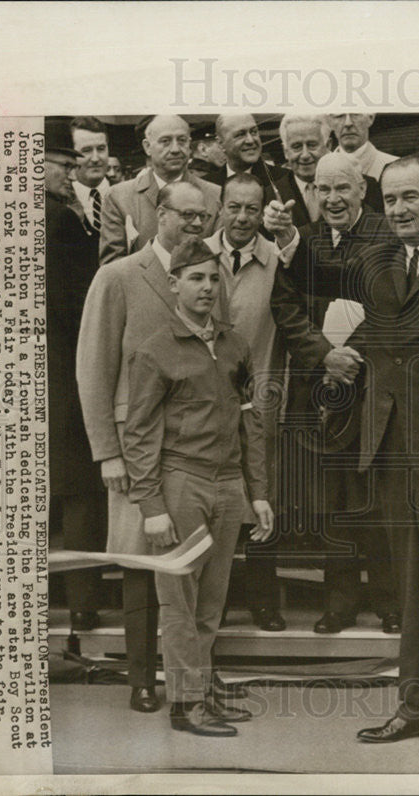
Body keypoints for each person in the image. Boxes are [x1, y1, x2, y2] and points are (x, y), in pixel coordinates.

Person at [267, 156, 419, 759]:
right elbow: (327, 285)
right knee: (411, 590)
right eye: (390, 199)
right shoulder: (384, 260)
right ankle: (418, 708)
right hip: (391, 448)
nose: (398, 209)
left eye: (410, 198)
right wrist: (293, 243)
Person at [77, 182, 222, 714]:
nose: (195, 225)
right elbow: (93, 366)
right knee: (141, 562)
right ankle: (142, 677)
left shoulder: (208, 274)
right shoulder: (118, 275)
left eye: (204, 216)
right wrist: (107, 451)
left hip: (194, 445)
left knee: (193, 566)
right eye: (185, 215)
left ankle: (196, 680)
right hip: (133, 444)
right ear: (159, 214)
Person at [121, 238, 272, 736]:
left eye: (212, 278)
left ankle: (202, 692)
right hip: (181, 483)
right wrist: (151, 504)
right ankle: (186, 707)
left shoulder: (235, 346)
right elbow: (139, 432)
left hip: (228, 486)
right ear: (173, 284)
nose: (206, 288)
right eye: (195, 278)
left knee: (211, 601)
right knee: (179, 603)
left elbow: (251, 423)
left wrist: (259, 492)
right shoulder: (155, 350)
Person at [268, 152, 400, 635]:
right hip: (321, 388)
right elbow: (284, 304)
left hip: (375, 388)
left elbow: (395, 306)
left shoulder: (388, 235)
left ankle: (392, 601)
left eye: (341, 188)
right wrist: (324, 355)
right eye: (322, 190)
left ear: (362, 190)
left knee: (378, 498)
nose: (332, 199)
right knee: (332, 499)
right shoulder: (305, 241)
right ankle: (340, 603)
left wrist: (350, 356)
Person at [204, 173, 288, 632]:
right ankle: (210, 605)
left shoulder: (277, 260)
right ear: (221, 206)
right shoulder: (198, 257)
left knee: (261, 495)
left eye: (251, 209)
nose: (241, 217)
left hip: (260, 395)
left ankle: (263, 601)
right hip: (202, 398)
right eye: (234, 206)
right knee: (209, 497)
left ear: (262, 213)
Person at [44, 119, 106, 632]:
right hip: (64, 371)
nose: (72, 172)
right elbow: (76, 304)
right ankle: (83, 602)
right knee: (82, 487)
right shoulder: (59, 220)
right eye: (63, 165)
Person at [98, 115, 222, 264]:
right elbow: (113, 266)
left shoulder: (215, 195)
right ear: (147, 147)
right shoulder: (119, 197)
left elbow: (220, 262)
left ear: (189, 145)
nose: (175, 149)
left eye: (181, 140)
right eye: (165, 141)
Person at [273, 114, 383, 227]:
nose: (305, 155)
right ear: (285, 151)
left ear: (328, 145)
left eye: (312, 145)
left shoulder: (365, 185)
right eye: (296, 146)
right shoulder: (271, 194)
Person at [202, 114, 283, 207]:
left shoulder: (284, 180)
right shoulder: (206, 187)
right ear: (221, 143)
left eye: (254, 132)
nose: (250, 140)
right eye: (240, 135)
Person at [69, 116, 111, 240]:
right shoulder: (63, 201)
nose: (95, 158)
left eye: (101, 149)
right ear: (72, 154)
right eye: (86, 151)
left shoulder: (126, 195)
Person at [327, 113, 397, 179]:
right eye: (339, 116)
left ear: (370, 118)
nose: (348, 123)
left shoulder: (394, 167)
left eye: (355, 114)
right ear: (330, 123)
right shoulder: (321, 168)